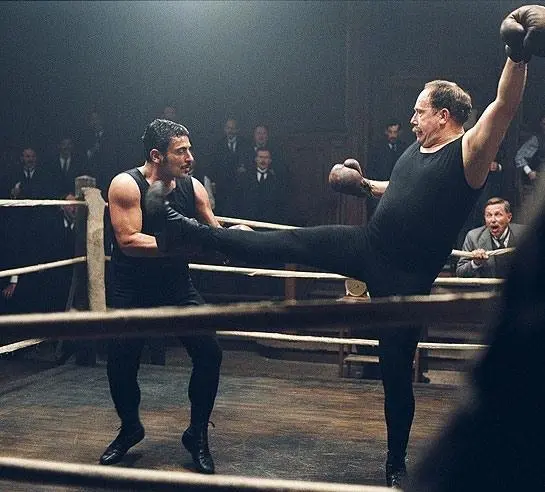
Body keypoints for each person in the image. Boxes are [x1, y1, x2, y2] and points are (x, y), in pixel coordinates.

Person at [146, 7, 542, 488]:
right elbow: (404, 190)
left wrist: (516, 54)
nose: (411, 119)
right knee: (286, 241)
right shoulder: (416, 150)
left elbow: (503, 107)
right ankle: (183, 230)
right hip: (368, 245)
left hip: (406, 279)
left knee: (395, 372)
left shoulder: (470, 151)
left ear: (444, 115)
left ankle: (396, 464)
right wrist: (364, 186)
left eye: (419, 111)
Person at [100, 119, 223, 474]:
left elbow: (213, 232)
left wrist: (236, 241)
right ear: (157, 155)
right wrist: (183, 245)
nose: (190, 158)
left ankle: (197, 434)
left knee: (209, 352)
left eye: (189, 149)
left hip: (175, 285)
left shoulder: (193, 187)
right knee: (121, 362)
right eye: (181, 151)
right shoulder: (126, 184)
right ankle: (130, 427)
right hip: (132, 286)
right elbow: (129, 241)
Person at [457, 197, 526, 278]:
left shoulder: (524, 233)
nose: (493, 220)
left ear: (509, 217)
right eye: (488, 215)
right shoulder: (473, 237)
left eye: (498, 214)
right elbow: (460, 272)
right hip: (487, 286)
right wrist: (475, 263)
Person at [366, 121, 409, 218]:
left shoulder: (404, 148)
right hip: (378, 192)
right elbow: (371, 171)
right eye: (390, 132)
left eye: (395, 132)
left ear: (399, 133)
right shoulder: (377, 149)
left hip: (398, 192)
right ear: (386, 132)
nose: (393, 135)